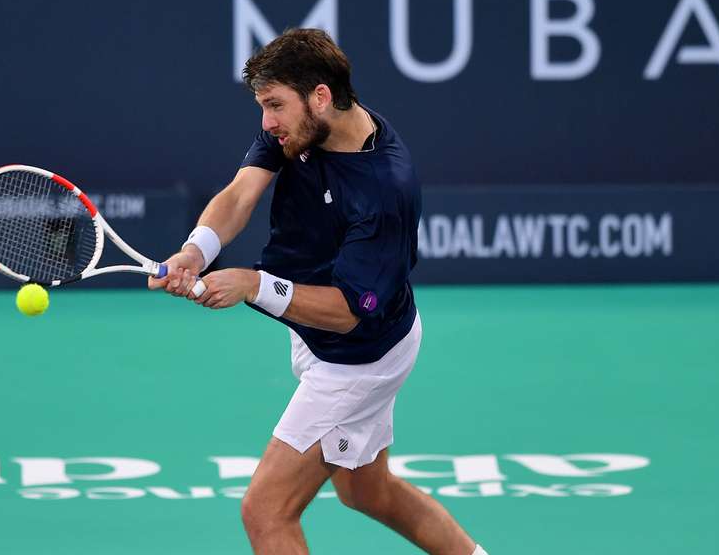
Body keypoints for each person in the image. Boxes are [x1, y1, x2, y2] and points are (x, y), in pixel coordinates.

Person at [148, 28, 487, 555]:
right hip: (321, 337)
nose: (267, 122)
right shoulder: (301, 126)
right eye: (263, 106)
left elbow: (349, 313)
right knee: (366, 491)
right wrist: (196, 251)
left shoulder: (383, 190)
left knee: (266, 510)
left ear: (321, 96)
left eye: (274, 105)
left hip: (357, 357)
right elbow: (241, 193)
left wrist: (254, 285)